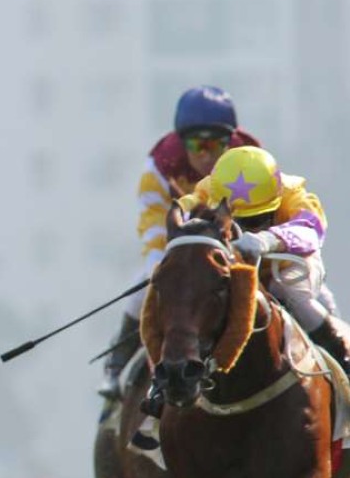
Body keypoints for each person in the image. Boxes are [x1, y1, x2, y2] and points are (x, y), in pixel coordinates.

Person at [142, 144, 348, 418]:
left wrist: (265, 239)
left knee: (296, 298)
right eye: (240, 222)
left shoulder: (295, 195)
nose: (248, 228)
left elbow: (311, 230)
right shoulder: (210, 191)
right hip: (235, 267)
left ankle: (343, 364)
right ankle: (164, 382)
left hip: (284, 265)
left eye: (259, 219)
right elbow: (187, 206)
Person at [99, 86, 262, 401]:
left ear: (231, 142)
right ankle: (116, 365)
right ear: (181, 143)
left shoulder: (249, 161)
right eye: (196, 144)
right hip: (179, 245)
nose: (206, 155)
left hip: (238, 244)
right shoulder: (159, 169)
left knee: (299, 287)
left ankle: (336, 356)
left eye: (215, 144)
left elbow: (261, 211)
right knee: (146, 284)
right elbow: (153, 221)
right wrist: (164, 261)